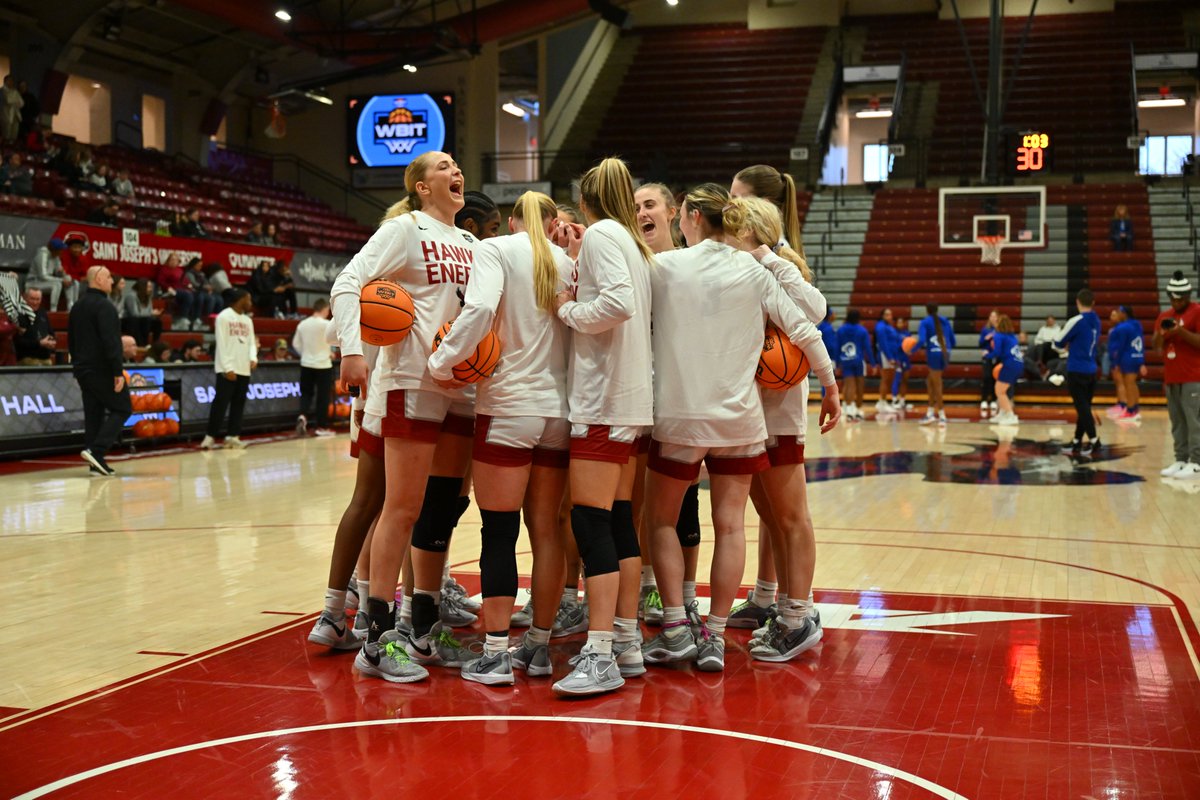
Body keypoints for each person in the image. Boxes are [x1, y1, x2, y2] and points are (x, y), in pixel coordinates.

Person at [641, 185, 838, 674]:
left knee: (660, 521)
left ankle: (674, 628)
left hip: (681, 416)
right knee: (731, 525)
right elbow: (806, 328)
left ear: (687, 217)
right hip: (740, 419)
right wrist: (831, 386)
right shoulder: (754, 268)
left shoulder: (662, 267)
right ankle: (714, 633)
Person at [331, 150, 477, 685]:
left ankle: (424, 627)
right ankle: (377, 639)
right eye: (442, 166)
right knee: (402, 507)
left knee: (438, 511)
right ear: (420, 186)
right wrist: (353, 350)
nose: (455, 171)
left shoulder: (471, 244)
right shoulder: (405, 229)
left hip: (460, 388)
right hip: (411, 379)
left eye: (456, 165)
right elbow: (349, 283)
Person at [426, 191, 573, 685]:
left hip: (508, 407)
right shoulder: (566, 262)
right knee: (547, 531)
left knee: (500, 530)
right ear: (554, 224)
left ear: (510, 222)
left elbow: (478, 310)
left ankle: (493, 653)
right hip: (559, 411)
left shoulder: (496, 250)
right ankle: (538, 647)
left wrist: (441, 361)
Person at [549, 157, 653, 697]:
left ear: (584, 200)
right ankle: (626, 640)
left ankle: (600, 652)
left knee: (591, 523)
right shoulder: (631, 241)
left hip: (602, 399)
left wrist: (568, 310)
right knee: (616, 522)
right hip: (629, 400)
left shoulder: (605, 237)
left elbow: (617, 303)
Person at [723, 195, 838, 663]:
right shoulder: (734, 272)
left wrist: (769, 257)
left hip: (782, 411)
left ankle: (799, 615)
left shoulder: (779, 267)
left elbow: (817, 311)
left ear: (750, 231)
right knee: (770, 515)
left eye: (730, 228)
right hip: (749, 409)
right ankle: (788, 609)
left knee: (791, 517)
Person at [68, 266, 131, 476]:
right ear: (98, 279)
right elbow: (111, 342)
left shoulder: (77, 306)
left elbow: (71, 340)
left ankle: (96, 462)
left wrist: (76, 367)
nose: (111, 281)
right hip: (102, 369)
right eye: (108, 277)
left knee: (93, 414)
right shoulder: (105, 306)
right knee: (122, 408)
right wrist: (117, 372)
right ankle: (97, 450)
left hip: (83, 369)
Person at [1155, 271, 1200, 479]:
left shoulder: (1197, 311)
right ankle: (1181, 459)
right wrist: (1162, 335)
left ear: (1188, 295)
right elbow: (1156, 348)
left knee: (1194, 420)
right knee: (1178, 420)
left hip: (1194, 376)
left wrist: (1180, 332)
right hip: (1172, 376)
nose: (1177, 301)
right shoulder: (1164, 317)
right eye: (1173, 297)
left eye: (1180, 297)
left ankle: (1196, 461)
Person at [200, 290, 257, 450]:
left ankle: (233, 436)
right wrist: (227, 368)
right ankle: (209, 437)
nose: (250, 303)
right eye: (248, 298)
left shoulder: (247, 320)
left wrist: (253, 357)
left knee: (238, 404)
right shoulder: (224, 317)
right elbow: (222, 344)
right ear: (240, 299)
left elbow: (251, 342)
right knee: (220, 404)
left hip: (244, 368)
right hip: (227, 369)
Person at [1055, 288, 1102, 454]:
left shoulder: (1076, 320)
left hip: (1077, 369)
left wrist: (1067, 343)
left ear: (1077, 302)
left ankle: (1095, 440)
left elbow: (1058, 342)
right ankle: (1076, 441)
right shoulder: (1097, 320)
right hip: (1091, 369)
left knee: (1082, 408)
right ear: (1093, 303)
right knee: (1085, 407)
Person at [293, 298, 335, 437]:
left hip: (306, 364)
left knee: (306, 393)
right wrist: (329, 353)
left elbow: (295, 344)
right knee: (322, 397)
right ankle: (321, 427)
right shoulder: (327, 324)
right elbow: (335, 340)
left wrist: (305, 354)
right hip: (323, 365)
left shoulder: (302, 324)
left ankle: (303, 416)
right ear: (324, 309)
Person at [912, 304, 956, 425]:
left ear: (927, 310)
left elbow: (921, 340)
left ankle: (942, 415)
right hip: (945, 352)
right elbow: (953, 340)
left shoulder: (925, 322)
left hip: (933, 355)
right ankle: (930, 413)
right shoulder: (945, 321)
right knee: (930, 381)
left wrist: (912, 350)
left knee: (937, 384)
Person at [1107, 305, 1146, 421]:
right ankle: (1134, 408)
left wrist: (1116, 362)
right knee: (1132, 384)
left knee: (1128, 384)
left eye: (1119, 312)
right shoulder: (1137, 324)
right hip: (1137, 355)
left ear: (1124, 314)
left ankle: (1130, 410)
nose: (1117, 314)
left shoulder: (1122, 327)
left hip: (1127, 357)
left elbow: (1121, 346)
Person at [836, 309, 874, 421]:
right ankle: (858, 409)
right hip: (858, 360)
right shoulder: (862, 330)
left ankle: (848, 410)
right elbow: (868, 347)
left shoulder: (841, 330)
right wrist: (872, 363)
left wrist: (838, 364)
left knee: (849, 385)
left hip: (845, 360)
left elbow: (837, 347)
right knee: (860, 385)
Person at [986, 314, 1023, 425]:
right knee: (1000, 389)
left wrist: (987, 355)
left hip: (1010, 364)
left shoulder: (998, 336)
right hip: (1018, 363)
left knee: (1000, 391)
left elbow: (997, 352)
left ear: (999, 324)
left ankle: (1011, 415)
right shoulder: (1012, 336)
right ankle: (1002, 413)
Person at [26, 237, 71, 311]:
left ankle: (70, 307)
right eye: (60, 250)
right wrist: (62, 280)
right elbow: (43, 276)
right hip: (33, 283)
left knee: (70, 281)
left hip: (46, 283)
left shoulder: (56, 256)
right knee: (57, 284)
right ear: (55, 250)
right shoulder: (42, 255)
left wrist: (64, 275)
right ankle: (53, 310)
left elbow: (59, 271)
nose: (62, 251)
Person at [14, 287, 55, 365]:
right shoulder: (19, 315)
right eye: (32, 299)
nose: (35, 302)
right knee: (36, 365)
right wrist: (39, 343)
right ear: (25, 298)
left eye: (38, 299)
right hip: (27, 358)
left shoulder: (43, 313)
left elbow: (51, 333)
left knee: (49, 365)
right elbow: (18, 342)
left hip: (45, 357)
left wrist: (51, 341)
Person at [874, 309, 902, 413]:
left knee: (890, 379)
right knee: (885, 379)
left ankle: (884, 401)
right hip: (885, 355)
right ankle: (881, 402)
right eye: (886, 314)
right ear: (882, 315)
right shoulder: (881, 326)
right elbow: (883, 343)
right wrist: (889, 357)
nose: (889, 316)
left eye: (890, 314)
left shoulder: (889, 327)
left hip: (892, 355)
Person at [155, 253, 193, 330]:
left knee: (196, 296)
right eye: (172, 259)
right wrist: (167, 287)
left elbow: (185, 281)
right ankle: (183, 318)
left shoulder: (180, 270)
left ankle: (194, 319)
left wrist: (189, 284)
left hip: (181, 290)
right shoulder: (164, 269)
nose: (174, 261)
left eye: (176, 260)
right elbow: (160, 281)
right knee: (187, 295)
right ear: (168, 260)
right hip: (170, 291)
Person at [121, 278, 164, 345]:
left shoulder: (147, 296)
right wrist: (151, 313)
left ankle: (155, 344)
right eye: (149, 287)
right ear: (142, 287)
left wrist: (152, 313)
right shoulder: (131, 296)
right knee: (144, 320)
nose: (151, 289)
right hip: (129, 320)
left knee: (157, 322)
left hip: (143, 320)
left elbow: (149, 310)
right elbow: (134, 313)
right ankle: (142, 344)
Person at [183, 256, 221, 329]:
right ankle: (200, 319)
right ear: (193, 265)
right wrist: (205, 287)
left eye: (201, 266)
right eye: (198, 265)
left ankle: (215, 319)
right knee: (206, 298)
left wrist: (210, 288)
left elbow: (207, 282)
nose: (200, 267)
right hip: (195, 291)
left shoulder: (201, 274)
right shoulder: (189, 273)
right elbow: (194, 284)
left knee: (219, 299)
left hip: (204, 291)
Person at [59, 237, 93, 310]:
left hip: (78, 283)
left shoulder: (83, 258)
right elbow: (65, 274)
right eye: (74, 247)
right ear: (69, 247)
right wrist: (76, 278)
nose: (77, 250)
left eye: (79, 247)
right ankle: (70, 306)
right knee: (69, 280)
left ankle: (80, 307)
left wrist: (79, 278)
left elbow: (85, 275)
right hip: (66, 283)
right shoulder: (65, 256)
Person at [979, 309, 999, 418]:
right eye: (991, 316)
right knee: (986, 377)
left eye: (994, 316)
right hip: (987, 357)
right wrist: (987, 338)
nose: (993, 318)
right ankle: (984, 399)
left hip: (997, 357)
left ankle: (994, 400)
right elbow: (981, 343)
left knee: (995, 378)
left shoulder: (1000, 330)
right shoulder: (985, 330)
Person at [1, 75, 23, 143]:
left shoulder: (15, 91)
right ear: (6, 81)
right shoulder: (2, 91)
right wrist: (15, 100)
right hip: (6, 116)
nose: (11, 82)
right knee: (6, 135)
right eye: (10, 81)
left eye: (12, 81)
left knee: (14, 135)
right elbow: (8, 100)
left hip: (15, 115)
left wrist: (14, 101)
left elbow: (21, 103)